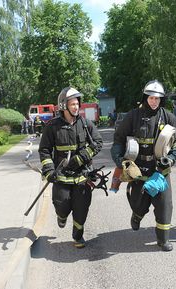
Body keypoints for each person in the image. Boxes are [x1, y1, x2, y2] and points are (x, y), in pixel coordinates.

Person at [111, 80, 176, 251]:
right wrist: (120, 160)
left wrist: (172, 158)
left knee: (164, 205)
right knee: (139, 205)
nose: (154, 101)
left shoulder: (168, 117)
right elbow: (119, 139)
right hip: (138, 171)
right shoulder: (133, 116)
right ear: (145, 97)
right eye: (151, 98)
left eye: (157, 98)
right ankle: (136, 216)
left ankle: (163, 240)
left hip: (160, 171)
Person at [39, 87, 103, 248]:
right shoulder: (52, 126)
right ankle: (61, 216)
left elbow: (98, 143)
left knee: (81, 208)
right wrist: (49, 171)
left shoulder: (86, 124)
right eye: (72, 104)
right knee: (61, 205)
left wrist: (81, 157)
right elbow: (44, 150)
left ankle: (77, 235)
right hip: (61, 176)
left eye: (77, 104)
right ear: (63, 106)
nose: (76, 107)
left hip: (82, 176)